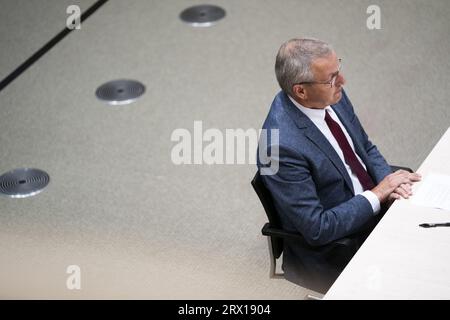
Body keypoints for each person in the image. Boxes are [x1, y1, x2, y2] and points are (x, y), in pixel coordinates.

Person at [257, 38, 421, 293]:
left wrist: (389, 184)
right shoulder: (279, 147)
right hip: (341, 240)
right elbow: (318, 228)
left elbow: (364, 147)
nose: (342, 81)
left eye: (338, 70)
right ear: (301, 90)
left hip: (370, 200)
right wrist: (378, 194)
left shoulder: (330, 94)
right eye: (332, 78)